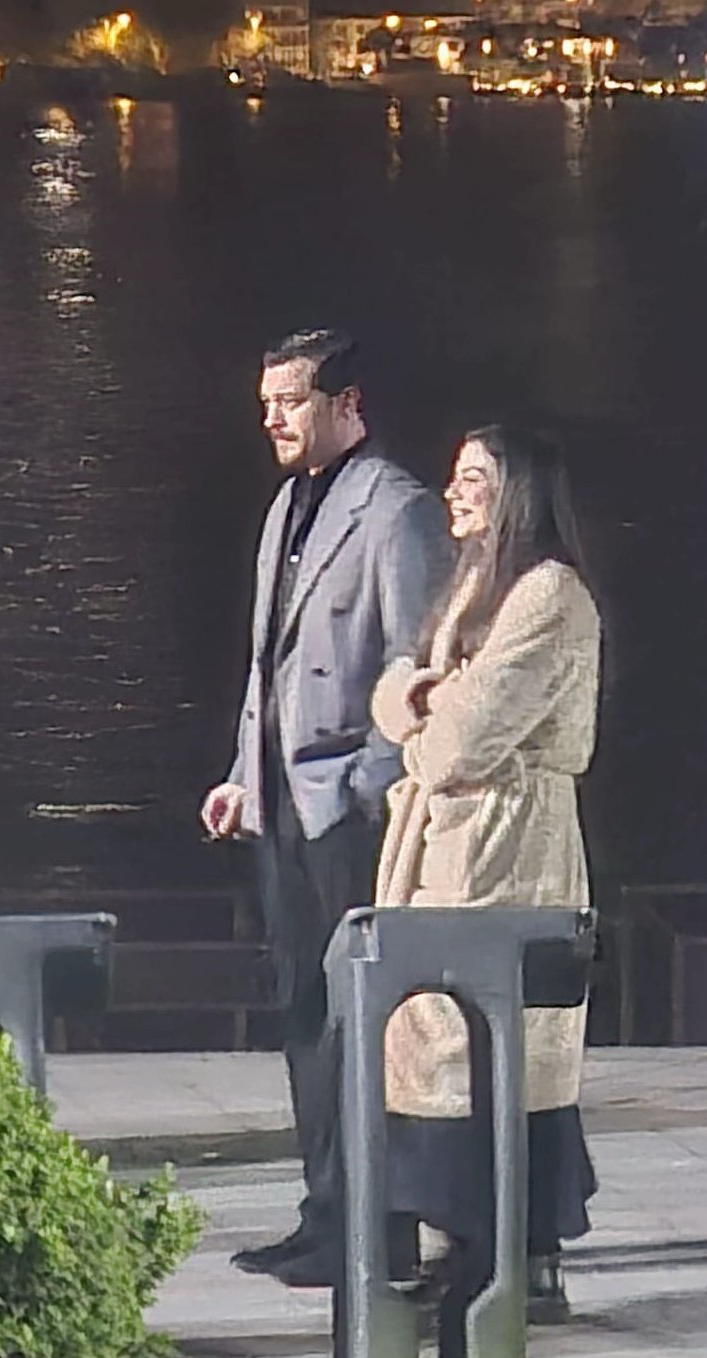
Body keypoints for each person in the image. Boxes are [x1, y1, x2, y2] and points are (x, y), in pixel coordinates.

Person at [200, 329, 451, 1286]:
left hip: (345, 811)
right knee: (303, 1014)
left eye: (290, 401)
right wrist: (242, 775)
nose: (272, 417)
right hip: (280, 807)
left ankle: (379, 1227)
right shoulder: (284, 506)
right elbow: (265, 667)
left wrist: (363, 786)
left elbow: (415, 667)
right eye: (266, 401)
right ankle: (325, 1214)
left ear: (347, 404)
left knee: (363, 1021)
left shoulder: (397, 511)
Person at [369, 424, 601, 1350]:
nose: (453, 491)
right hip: (446, 841)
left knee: (499, 1045)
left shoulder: (550, 594)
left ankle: (522, 1256)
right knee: (433, 1044)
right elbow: (392, 686)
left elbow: (466, 737)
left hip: (511, 848)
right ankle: (461, 1242)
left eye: (473, 478)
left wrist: (424, 710)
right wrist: (427, 703)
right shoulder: (475, 585)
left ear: (517, 494)